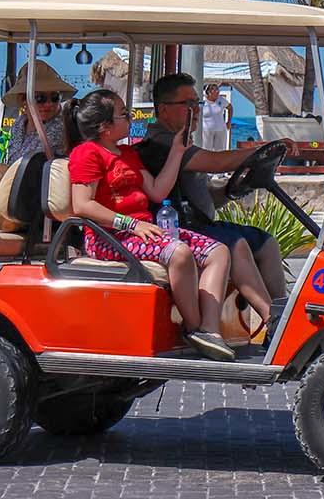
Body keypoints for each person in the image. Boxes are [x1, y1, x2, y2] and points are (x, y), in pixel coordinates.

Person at [67, 89, 236, 361]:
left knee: (219, 252)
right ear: (104, 127)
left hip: (141, 230)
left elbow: (157, 191)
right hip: (108, 236)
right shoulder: (87, 153)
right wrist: (130, 224)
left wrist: (177, 152)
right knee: (179, 253)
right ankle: (193, 328)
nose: (130, 118)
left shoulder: (126, 153)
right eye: (124, 114)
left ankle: (210, 330)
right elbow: (82, 205)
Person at [135, 73, 285, 324]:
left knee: (266, 242)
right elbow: (215, 162)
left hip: (198, 222)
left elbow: (203, 198)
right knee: (235, 244)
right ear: (164, 110)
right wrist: (261, 150)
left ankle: (282, 312)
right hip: (174, 227)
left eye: (197, 104)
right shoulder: (162, 142)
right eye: (188, 105)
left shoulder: (181, 142)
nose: (195, 111)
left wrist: (229, 190)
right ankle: (272, 319)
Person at [1, 61, 78, 165]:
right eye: (40, 98)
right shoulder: (19, 124)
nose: (48, 104)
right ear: (24, 100)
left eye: (55, 97)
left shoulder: (61, 127)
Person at [200, 83, 233, 151]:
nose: (217, 93)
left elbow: (230, 108)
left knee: (220, 151)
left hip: (221, 129)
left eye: (218, 91)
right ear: (209, 92)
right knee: (206, 150)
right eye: (215, 91)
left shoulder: (221, 100)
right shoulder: (203, 101)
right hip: (206, 131)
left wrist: (229, 121)